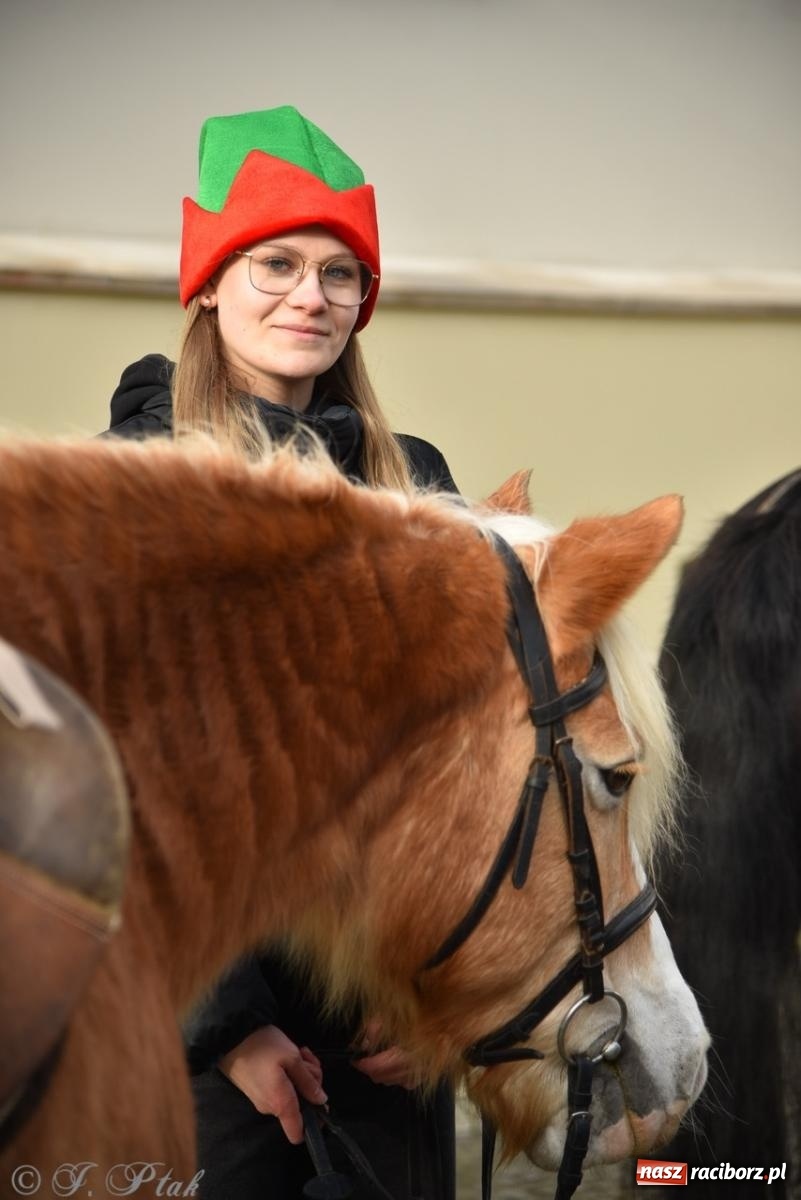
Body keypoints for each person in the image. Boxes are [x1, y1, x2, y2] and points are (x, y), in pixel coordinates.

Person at [104, 106, 457, 1200]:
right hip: (199, 1045)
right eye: (276, 264)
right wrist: (228, 1030)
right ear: (208, 281)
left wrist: (430, 990)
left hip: (390, 1039)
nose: (312, 296)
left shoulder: (417, 488)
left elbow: (455, 759)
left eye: (341, 273)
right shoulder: (140, 486)